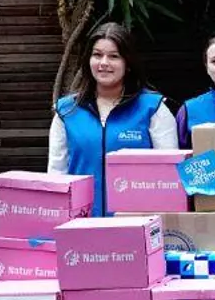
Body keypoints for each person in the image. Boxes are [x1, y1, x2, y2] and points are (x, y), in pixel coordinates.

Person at [47, 21, 178, 215]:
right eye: (97, 55)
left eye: (114, 56)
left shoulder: (153, 109)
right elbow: (56, 174)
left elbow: (169, 175)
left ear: (128, 63)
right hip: (80, 223)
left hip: (136, 223)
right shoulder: (66, 112)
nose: (104, 63)